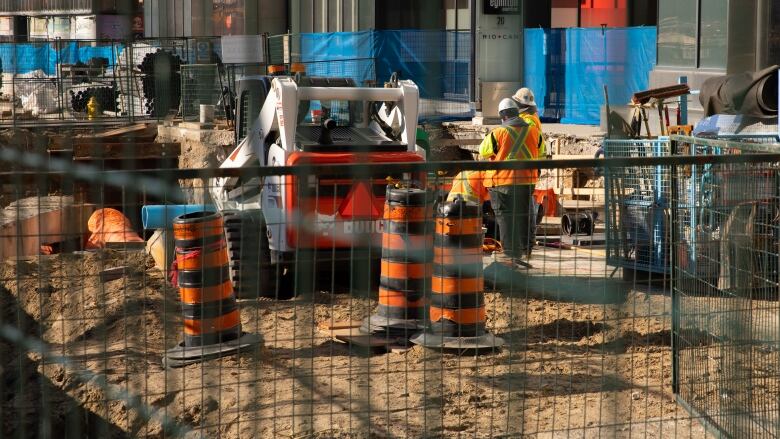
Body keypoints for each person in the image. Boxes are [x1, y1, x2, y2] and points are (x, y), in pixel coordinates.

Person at [479, 98, 541, 264]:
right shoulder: (534, 131)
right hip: (526, 181)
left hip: (502, 183)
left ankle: (510, 254)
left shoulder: (498, 133)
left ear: (503, 116)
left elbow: (483, 151)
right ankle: (523, 251)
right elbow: (542, 150)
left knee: (505, 218)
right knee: (522, 215)